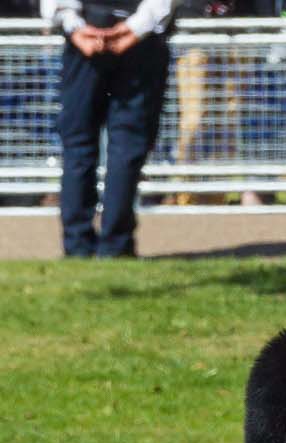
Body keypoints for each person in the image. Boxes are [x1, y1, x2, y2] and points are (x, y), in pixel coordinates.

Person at [43, 0, 174, 257]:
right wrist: (134, 28)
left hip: (96, 40)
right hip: (138, 44)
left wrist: (76, 27)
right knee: (123, 146)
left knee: (81, 146)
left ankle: (80, 244)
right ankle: (114, 244)